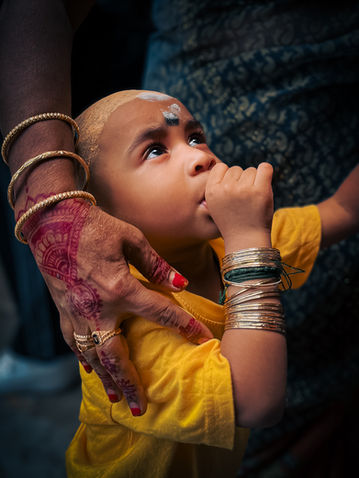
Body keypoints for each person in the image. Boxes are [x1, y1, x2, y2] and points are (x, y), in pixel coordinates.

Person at [63, 89, 358, 477]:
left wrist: (243, 239)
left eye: (195, 136)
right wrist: (249, 240)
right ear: (99, 213)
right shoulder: (126, 315)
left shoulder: (222, 245)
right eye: (154, 150)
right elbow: (255, 403)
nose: (202, 157)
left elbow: (343, 210)